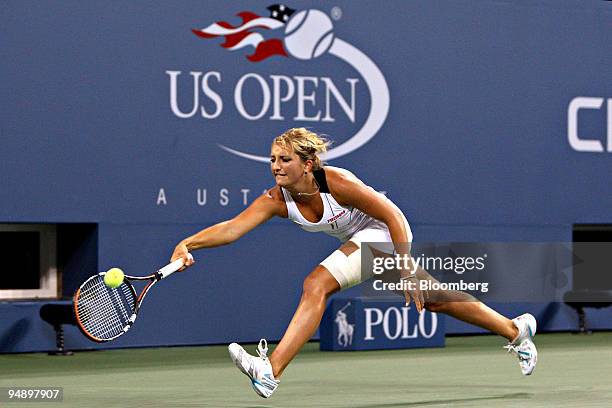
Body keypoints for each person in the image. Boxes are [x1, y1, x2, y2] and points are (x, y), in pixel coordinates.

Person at [170, 128, 537, 398]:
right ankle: (516, 330)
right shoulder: (276, 199)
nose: (276, 166)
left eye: (285, 159)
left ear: (307, 163)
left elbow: (394, 216)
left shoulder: (336, 182)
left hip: (386, 233)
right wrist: (188, 243)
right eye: (272, 159)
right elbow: (233, 229)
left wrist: (406, 267)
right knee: (437, 299)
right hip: (361, 242)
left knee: (317, 283)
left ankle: (270, 370)